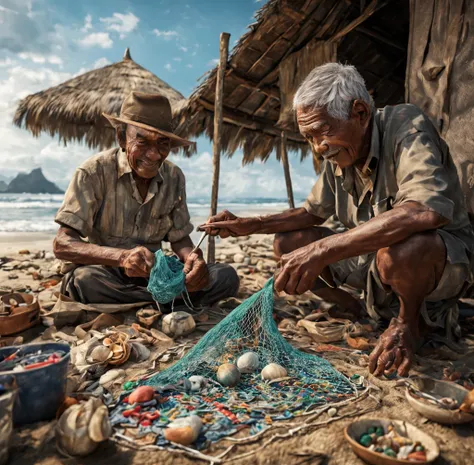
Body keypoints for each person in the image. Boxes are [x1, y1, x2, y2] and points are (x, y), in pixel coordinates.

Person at [199, 63, 474, 377]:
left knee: (403, 249)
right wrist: (252, 225)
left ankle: (408, 323)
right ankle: (354, 307)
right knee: (290, 243)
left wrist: (321, 251)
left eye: (322, 130)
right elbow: (310, 213)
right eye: (309, 137)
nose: (318, 146)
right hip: (375, 264)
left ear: (359, 112)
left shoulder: (404, 123)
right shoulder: (338, 154)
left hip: (438, 265)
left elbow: (423, 210)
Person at [53, 92, 239, 308]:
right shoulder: (93, 172)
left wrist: (192, 260)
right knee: (82, 281)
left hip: (155, 273)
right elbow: (62, 244)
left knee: (225, 276)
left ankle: (153, 300)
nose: (154, 155)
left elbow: (179, 238)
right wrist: (122, 258)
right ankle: (168, 301)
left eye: (163, 143)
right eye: (142, 140)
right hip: (107, 270)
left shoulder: (174, 176)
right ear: (121, 137)